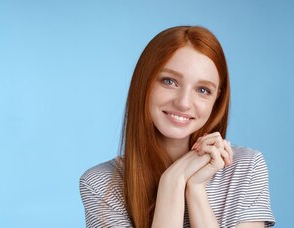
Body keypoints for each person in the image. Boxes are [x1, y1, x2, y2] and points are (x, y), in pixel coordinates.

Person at [79, 25, 275, 228]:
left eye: (202, 89)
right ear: (145, 83)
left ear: (216, 99)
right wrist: (172, 181)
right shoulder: (101, 185)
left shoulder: (245, 168)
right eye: (170, 81)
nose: (183, 103)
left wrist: (196, 189)